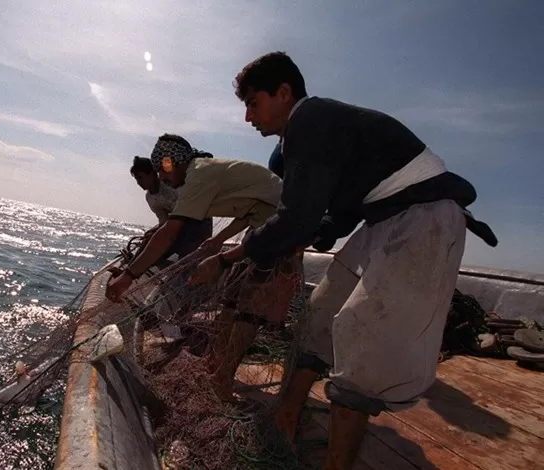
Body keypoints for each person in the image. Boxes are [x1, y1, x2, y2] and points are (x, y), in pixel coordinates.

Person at [190, 51, 497, 469]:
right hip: (382, 219)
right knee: (320, 317)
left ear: (284, 93)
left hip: (425, 217)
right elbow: (342, 212)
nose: (248, 117)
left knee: (362, 340)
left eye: (253, 103)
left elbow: (295, 217)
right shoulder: (323, 131)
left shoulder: (309, 119)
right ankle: (286, 418)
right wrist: (318, 231)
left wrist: (228, 259)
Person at [106, 134, 300, 396]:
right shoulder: (198, 177)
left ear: (176, 161)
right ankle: (214, 364)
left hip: (285, 230)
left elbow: (170, 231)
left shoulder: (199, 174)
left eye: (163, 168)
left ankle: (222, 380)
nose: (162, 178)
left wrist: (128, 276)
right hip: (262, 226)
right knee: (231, 299)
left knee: (249, 308)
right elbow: (250, 211)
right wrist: (218, 240)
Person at [129, 155, 212, 266]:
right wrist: (155, 232)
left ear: (153, 173)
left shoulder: (172, 186)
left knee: (187, 259)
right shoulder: (150, 198)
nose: (138, 183)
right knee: (150, 245)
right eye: (136, 179)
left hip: (199, 222)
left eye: (141, 177)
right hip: (178, 228)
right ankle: (131, 266)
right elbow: (164, 222)